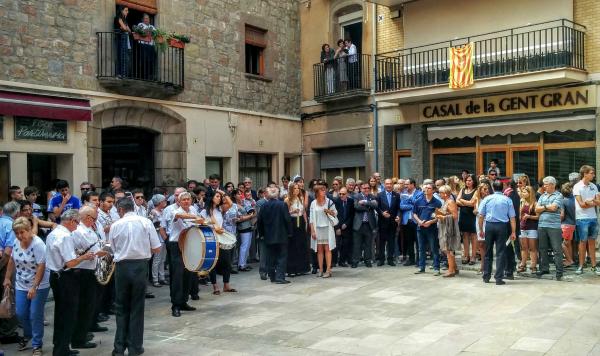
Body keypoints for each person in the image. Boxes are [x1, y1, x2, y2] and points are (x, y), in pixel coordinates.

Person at [108, 198, 161, 356]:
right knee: (137, 307)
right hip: (140, 265)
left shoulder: (116, 225)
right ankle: (135, 347)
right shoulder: (145, 222)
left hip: (122, 267)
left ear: (121, 210)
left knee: (121, 307)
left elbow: (112, 249)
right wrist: (143, 251)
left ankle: (118, 348)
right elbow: (157, 248)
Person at [46, 209, 95, 356]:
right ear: (72, 221)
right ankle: (62, 349)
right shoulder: (65, 236)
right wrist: (84, 257)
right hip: (65, 277)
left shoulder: (53, 233)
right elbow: (71, 263)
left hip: (55, 276)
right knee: (68, 314)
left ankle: (60, 346)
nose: (77, 226)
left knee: (60, 313)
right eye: (77, 223)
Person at [3, 217, 50, 356]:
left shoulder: (38, 244)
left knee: (35, 314)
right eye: (16, 233)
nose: (19, 235)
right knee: (21, 312)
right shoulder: (16, 242)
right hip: (21, 282)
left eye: (22, 232)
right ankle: (28, 334)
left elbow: (42, 266)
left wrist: (34, 287)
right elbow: (11, 260)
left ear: (29, 230)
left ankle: (37, 344)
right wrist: (7, 277)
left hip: (39, 284)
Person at [167, 192, 203, 317]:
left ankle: (183, 301)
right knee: (177, 275)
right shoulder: (175, 211)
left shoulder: (193, 209)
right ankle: (175, 305)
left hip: (189, 245)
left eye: (188, 199)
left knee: (189, 273)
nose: (187, 201)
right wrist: (194, 218)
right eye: (184, 200)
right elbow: (179, 216)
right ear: (179, 201)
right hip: (176, 245)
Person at [478, 181, 517, 285]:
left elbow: (481, 216)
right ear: (503, 187)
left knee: (488, 251)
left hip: (490, 225)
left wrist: (481, 229)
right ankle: (498, 278)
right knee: (501, 252)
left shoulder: (487, 199)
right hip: (502, 226)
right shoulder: (507, 199)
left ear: (493, 188)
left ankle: (486, 276)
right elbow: (512, 218)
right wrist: (513, 232)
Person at [201, 192, 236, 295]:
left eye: (220, 197)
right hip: (211, 239)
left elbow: (230, 203)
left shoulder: (219, 209)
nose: (219, 198)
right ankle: (215, 287)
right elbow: (203, 226)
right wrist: (214, 228)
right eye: (217, 196)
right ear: (211, 198)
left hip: (221, 238)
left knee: (227, 262)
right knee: (213, 263)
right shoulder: (204, 212)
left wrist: (221, 192)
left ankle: (226, 285)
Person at [257, 187, 291, 284]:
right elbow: (287, 220)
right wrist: (290, 232)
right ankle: (280, 277)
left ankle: (272, 277)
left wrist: (262, 234)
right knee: (282, 256)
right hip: (281, 235)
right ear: (277, 194)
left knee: (270, 257)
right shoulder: (282, 205)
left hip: (268, 236)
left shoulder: (264, 206)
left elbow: (260, 222)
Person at [535, 176, 564, 280]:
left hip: (554, 226)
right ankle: (544, 268)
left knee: (557, 249)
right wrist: (547, 207)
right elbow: (536, 209)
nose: (544, 186)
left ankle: (559, 271)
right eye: (544, 184)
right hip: (542, 225)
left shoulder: (559, 195)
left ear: (552, 185)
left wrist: (544, 207)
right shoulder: (542, 195)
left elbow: (554, 208)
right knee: (542, 249)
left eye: (546, 184)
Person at [573, 165, 600, 275]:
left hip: (593, 217)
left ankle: (594, 266)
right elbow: (581, 204)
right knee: (583, 242)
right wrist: (591, 202)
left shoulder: (594, 186)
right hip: (582, 218)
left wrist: (590, 202)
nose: (593, 175)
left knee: (592, 243)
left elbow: (598, 202)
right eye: (591, 173)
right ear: (585, 174)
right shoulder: (577, 186)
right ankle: (581, 266)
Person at [413, 183, 442, 275]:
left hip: (432, 229)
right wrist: (419, 222)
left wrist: (430, 222)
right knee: (421, 249)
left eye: (429, 188)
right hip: (420, 228)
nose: (426, 189)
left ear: (433, 190)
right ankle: (421, 267)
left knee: (434, 248)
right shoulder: (418, 201)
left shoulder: (437, 202)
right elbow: (414, 213)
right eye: (425, 188)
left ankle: (437, 268)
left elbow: (439, 216)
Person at [309, 185, 337, 278]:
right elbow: (311, 219)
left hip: (327, 228)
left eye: (324, 190)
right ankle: (320, 270)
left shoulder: (329, 201)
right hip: (318, 229)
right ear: (317, 192)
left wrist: (329, 211)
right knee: (319, 250)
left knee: (328, 249)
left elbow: (335, 213)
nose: (324, 192)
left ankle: (328, 270)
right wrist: (312, 231)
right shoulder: (313, 203)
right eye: (322, 190)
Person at [435, 185, 461, 277]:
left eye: (441, 192)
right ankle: (454, 268)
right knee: (447, 249)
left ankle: (451, 270)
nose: (439, 194)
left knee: (448, 248)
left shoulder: (450, 202)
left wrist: (443, 217)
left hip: (449, 228)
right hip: (445, 227)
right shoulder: (446, 201)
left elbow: (455, 216)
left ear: (445, 193)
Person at [351, 182, 378, 268]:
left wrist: (365, 202)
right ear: (361, 189)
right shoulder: (356, 196)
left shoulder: (372, 196)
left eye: (368, 188)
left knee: (368, 244)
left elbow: (375, 205)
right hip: (358, 224)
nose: (366, 190)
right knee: (357, 244)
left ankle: (367, 261)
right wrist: (368, 207)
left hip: (369, 224)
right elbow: (356, 207)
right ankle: (355, 261)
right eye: (364, 188)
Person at [285, 183, 310, 276]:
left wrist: (306, 222)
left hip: (301, 222)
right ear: (291, 189)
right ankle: (291, 269)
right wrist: (292, 211)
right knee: (293, 245)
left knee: (301, 244)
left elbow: (303, 211)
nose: (297, 190)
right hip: (292, 221)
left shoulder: (301, 198)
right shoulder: (287, 200)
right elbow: (286, 213)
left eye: (298, 188)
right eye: (295, 188)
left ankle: (302, 268)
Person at [376, 179, 399, 266]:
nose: (389, 185)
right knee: (381, 242)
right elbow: (376, 208)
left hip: (393, 222)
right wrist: (382, 213)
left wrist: (398, 216)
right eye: (387, 184)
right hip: (382, 222)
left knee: (391, 242)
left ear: (392, 185)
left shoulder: (396, 195)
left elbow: (399, 208)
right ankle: (381, 259)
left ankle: (390, 259)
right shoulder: (379, 195)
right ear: (384, 185)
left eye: (390, 184)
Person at [399, 179, 422, 266]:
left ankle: (419, 260)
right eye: (405, 184)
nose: (405, 186)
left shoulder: (419, 193)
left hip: (416, 221)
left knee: (418, 241)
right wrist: (411, 205)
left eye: (407, 184)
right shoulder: (404, 193)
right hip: (406, 221)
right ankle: (411, 259)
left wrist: (409, 199)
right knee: (409, 241)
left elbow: (418, 205)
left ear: (413, 184)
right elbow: (401, 206)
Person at [517, 186, 538, 273]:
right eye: (523, 192)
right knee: (523, 247)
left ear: (530, 193)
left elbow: (538, 217)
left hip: (532, 227)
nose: (523, 194)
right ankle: (523, 264)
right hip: (523, 227)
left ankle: (533, 265)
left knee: (532, 248)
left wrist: (529, 216)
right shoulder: (522, 202)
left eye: (525, 192)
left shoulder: (535, 203)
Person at [457, 174, 477, 265]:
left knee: (473, 236)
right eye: (467, 180)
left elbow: (472, 203)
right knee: (465, 236)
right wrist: (465, 203)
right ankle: (466, 255)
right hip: (463, 216)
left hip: (472, 216)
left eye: (470, 180)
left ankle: (473, 256)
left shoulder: (476, 190)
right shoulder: (462, 190)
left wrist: (462, 201)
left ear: (474, 181)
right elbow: (457, 201)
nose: (468, 182)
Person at [149, 194, 168, 287]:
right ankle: (155, 279)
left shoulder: (163, 211)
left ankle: (162, 277)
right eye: (164, 200)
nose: (165, 202)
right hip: (157, 238)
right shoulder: (153, 212)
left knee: (163, 259)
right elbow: (152, 225)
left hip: (164, 238)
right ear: (159, 202)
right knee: (157, 259)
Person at [334, 187, 354, 267]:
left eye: (343, 194)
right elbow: (334, 215)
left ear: (347, 194)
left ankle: (343, 261)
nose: (341, 195)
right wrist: (337, 227)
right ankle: (334, 261)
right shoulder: (336, 201)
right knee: (337, 245)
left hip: (347, 227)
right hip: (338, 227)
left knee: (346, 244)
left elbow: (352, 214)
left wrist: (346, 224)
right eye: (340, 194)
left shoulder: (350, 201)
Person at [473, 183, 490, 274]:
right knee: (481, 243)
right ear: (480, 190)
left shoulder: (490, 198)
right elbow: (475, 210)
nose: (486, 191)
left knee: (488, 244)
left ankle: (487, 266)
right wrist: (475, 211)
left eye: (487, 189)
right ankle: (482, 265)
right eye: (484, 189)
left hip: (488, 222)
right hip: (479, 221)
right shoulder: (477, 199)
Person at [134, 13, 157, 80]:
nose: (147, 20)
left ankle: (149, 76)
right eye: (145, 18)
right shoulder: (140, 25)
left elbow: (156, 34)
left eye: (148, 18)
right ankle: (142, 76)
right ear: (142, 19)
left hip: (151, 46)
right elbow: (140, 32)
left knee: (150, 61)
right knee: (143, 61)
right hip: (143, 45)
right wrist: (148, 32)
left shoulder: (152, 27)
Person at [561, 183, 576, 268]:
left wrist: (558, 221)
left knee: (561, 244)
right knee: (568, 244)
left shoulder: (563, 201)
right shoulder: (574, 199)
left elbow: (562, 215)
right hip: (572, 224)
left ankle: (569, 260)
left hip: (565, 225)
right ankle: (569, 260)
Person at [114, 6, 131, 77]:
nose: (127, 12)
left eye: (127, 10)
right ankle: (120, 73)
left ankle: (123, 74)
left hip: (124, 38)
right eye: (126, 10)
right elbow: (124, 28)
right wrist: (124, 28)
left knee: (124, 56)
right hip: (120, 38)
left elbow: (129, 30)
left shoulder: (124, 20)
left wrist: (124, 28)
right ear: (121, 11)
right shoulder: (118, 18)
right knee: (121, 55)